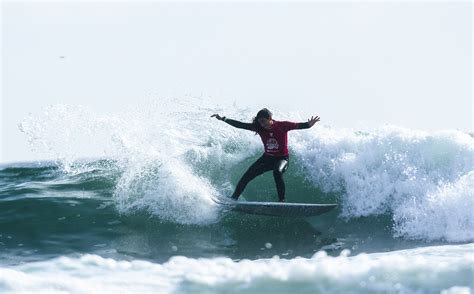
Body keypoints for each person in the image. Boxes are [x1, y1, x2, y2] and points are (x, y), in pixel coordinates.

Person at [211, 108, 320, 202]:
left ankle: (282, 201)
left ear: (270, 118)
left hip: (282, 158)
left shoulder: (282, 125)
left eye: (264, 121)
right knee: (247, 176)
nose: (262, 124)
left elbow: (299, 125)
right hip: (267, 158)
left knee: (277, 172)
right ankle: (233, 199)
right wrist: (224, 119)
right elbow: (241, 125)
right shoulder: (259, 127)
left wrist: (308, 125)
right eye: (260, 122)